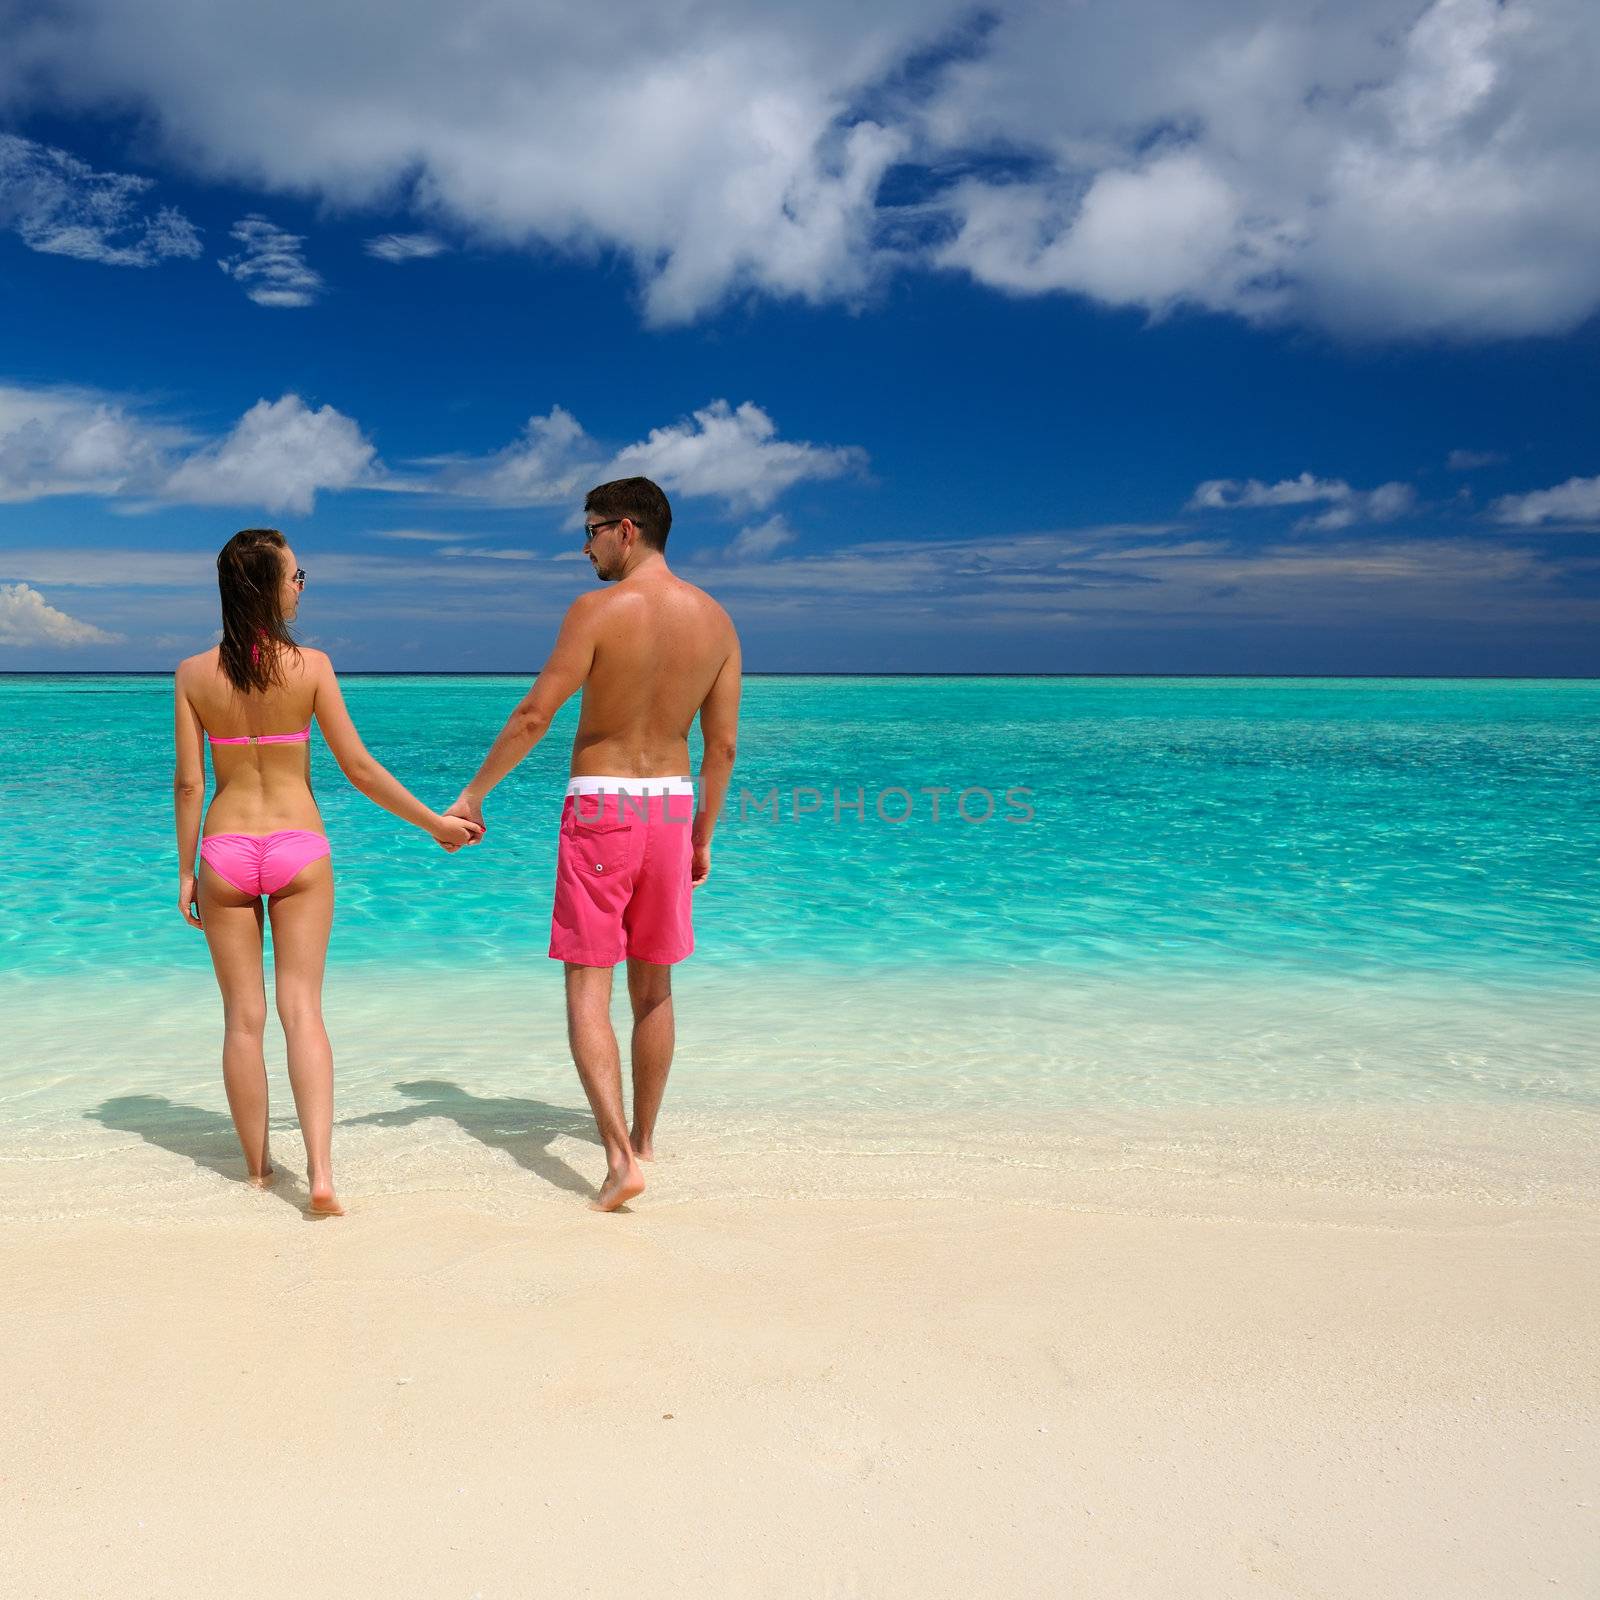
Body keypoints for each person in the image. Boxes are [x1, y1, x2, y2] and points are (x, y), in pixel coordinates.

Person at [447, 477, 741, 1212]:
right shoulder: (718, 624)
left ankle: (617, 1162)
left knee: (588, 986)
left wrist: (475, 794)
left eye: (591, 532)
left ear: (627, 531)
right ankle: (643, 1138)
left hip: (604, 806)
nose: (585, 549)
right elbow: (724, 747)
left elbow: (535, 714)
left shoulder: (597, 612)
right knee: (656, 988)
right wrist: (704, 833)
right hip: (673, 810)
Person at [174, 528, 482, 1215]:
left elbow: (189, 784)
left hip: (223, 848)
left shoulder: (194, 674)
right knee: (302, 1010)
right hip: (299, 847)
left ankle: (256, 1174)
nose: (301, 584)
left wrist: (187, 870)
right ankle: (318, 1175)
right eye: (295, 574)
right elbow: (359, 768)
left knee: (242, 1020)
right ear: (272, 588)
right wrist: (435, 825)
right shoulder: (311, 666)